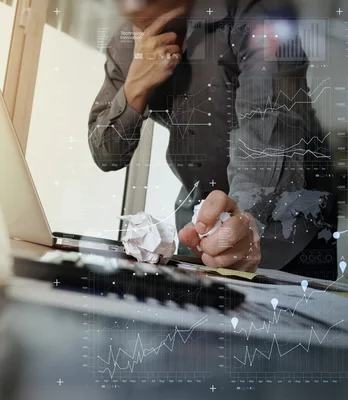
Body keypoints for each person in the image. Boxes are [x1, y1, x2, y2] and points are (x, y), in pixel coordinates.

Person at [89, 0, 336, 277]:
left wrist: (238, 222)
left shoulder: (254, 15)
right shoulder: (124, 46)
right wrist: (134, 89)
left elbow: (266, 133)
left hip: (289, 237)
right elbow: (106, 154)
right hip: (202, 237)